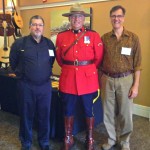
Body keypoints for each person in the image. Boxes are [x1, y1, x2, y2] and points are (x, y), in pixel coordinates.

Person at [56, 3, 103, 150]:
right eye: (74, 16)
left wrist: (86, 69)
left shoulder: (93, 35)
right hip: (68, 79)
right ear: (70, 19)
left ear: (84, 19)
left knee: (89, 110)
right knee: (68, 109)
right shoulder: (61, 36)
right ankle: (68, 137)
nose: (76, 19)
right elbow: (59, 58)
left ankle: (90, 138)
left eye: (79, 16)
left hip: (88, 80)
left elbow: (98, 58)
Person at [9, 15, 55, 150]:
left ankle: (44, 141)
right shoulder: (20, 43)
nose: (37, 27)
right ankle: (26, 142)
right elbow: (13, 61)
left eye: (40, 25)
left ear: (43, 27)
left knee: (44, 116)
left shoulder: (49, 44)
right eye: (34, 24)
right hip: (26, 86)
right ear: (29, 27)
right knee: (26, 115)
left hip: (45, 87)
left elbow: (51, 61)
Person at [99, 5, 142, 150]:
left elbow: (138, 64)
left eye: (119, 16)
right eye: (113, 16)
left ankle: (125, 141)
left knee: (125, 113)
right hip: (107, 79)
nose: (116, 19)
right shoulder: (104, 38)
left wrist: (135, 85)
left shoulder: (133, 38)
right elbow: (99, 62)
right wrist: (100, 81)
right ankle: (111, 139)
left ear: (123, 18)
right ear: (110, 18)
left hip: (126, 80)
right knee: (108, 112)